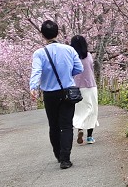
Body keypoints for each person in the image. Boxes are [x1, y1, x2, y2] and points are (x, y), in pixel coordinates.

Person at [30, 19, 83, 169]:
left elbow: (37, 71)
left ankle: (58, 155)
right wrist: (67, 74)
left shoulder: (39, 53)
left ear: (43, 35)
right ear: (57, 32)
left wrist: (33, 87)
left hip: (50, 94)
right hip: (67, 92)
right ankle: (65, 159)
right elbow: (79, 69)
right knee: (66, 126)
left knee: (53, 126)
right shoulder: (69, 50)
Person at [69, 34, 100, 145]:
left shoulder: (71, 57)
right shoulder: (88, 55)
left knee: (79, 111)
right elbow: (91, 68)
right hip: (90, 86)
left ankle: (80, 129)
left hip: (76, 88)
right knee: (92, 110)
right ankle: (90, 137)